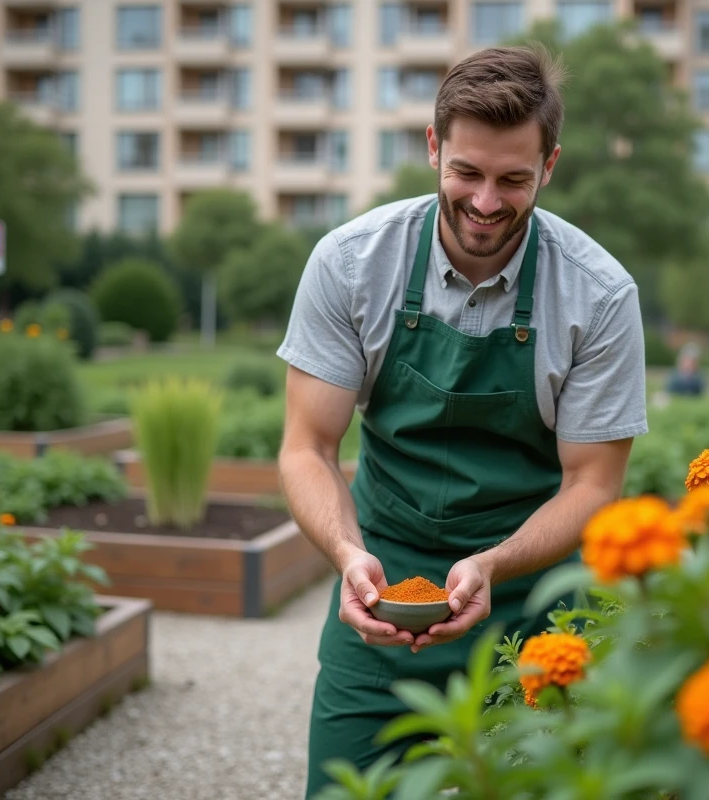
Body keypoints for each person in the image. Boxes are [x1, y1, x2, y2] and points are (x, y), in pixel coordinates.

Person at [275, 44, 648, 797]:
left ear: (549, 165)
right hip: (381, 592)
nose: (485, 202)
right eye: (466, 173)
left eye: (513, 179)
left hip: (532, 600)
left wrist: (492, 566)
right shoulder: (351, 264)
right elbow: (307, 448)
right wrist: (349, 557)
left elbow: (592, 485)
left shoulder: (599, 295)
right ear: (433, 147)